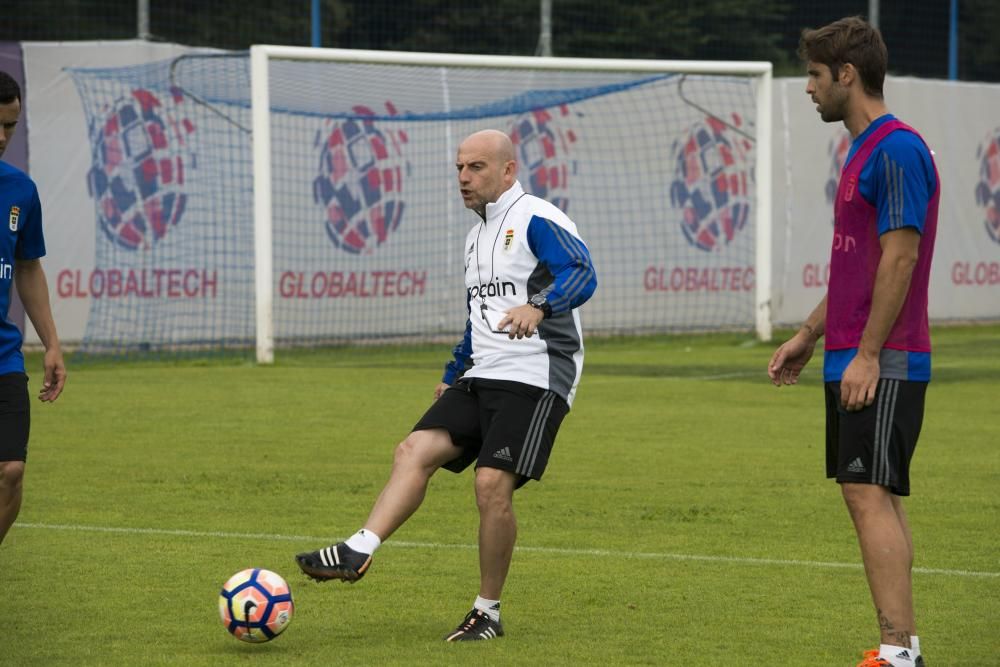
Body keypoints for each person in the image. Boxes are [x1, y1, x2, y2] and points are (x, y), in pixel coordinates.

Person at [295, 129, 597, 641]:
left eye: (476, 167)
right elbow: (478, 314)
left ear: (507, 169)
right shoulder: (475, 235)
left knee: (490, 486)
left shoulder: (537, 218)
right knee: (414, 449)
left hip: (537, 373)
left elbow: (582, 272)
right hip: (483, 372)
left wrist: (538, 306)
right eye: (459, 167)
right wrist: (454, 371)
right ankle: (358, 549)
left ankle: (488, 612)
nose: (463, 178)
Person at [768, 17, 938, 667]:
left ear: (847, 74)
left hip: (883, 358)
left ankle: (898, 650)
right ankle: (902, 645)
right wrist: (809, 333)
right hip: (851, 351)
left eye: (814, 75)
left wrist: (868, 353)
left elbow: (900, 258)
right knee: (869, 492)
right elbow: (859, 266)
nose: (807, 88)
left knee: (868, 492)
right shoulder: (863, 150)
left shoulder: (896, 149)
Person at [0, 70, 67, 546]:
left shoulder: (20, 190)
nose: (3, 137)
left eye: (11, 126)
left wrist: (52, 344)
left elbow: (27, 267)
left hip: (2, 357)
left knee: (12, 471)